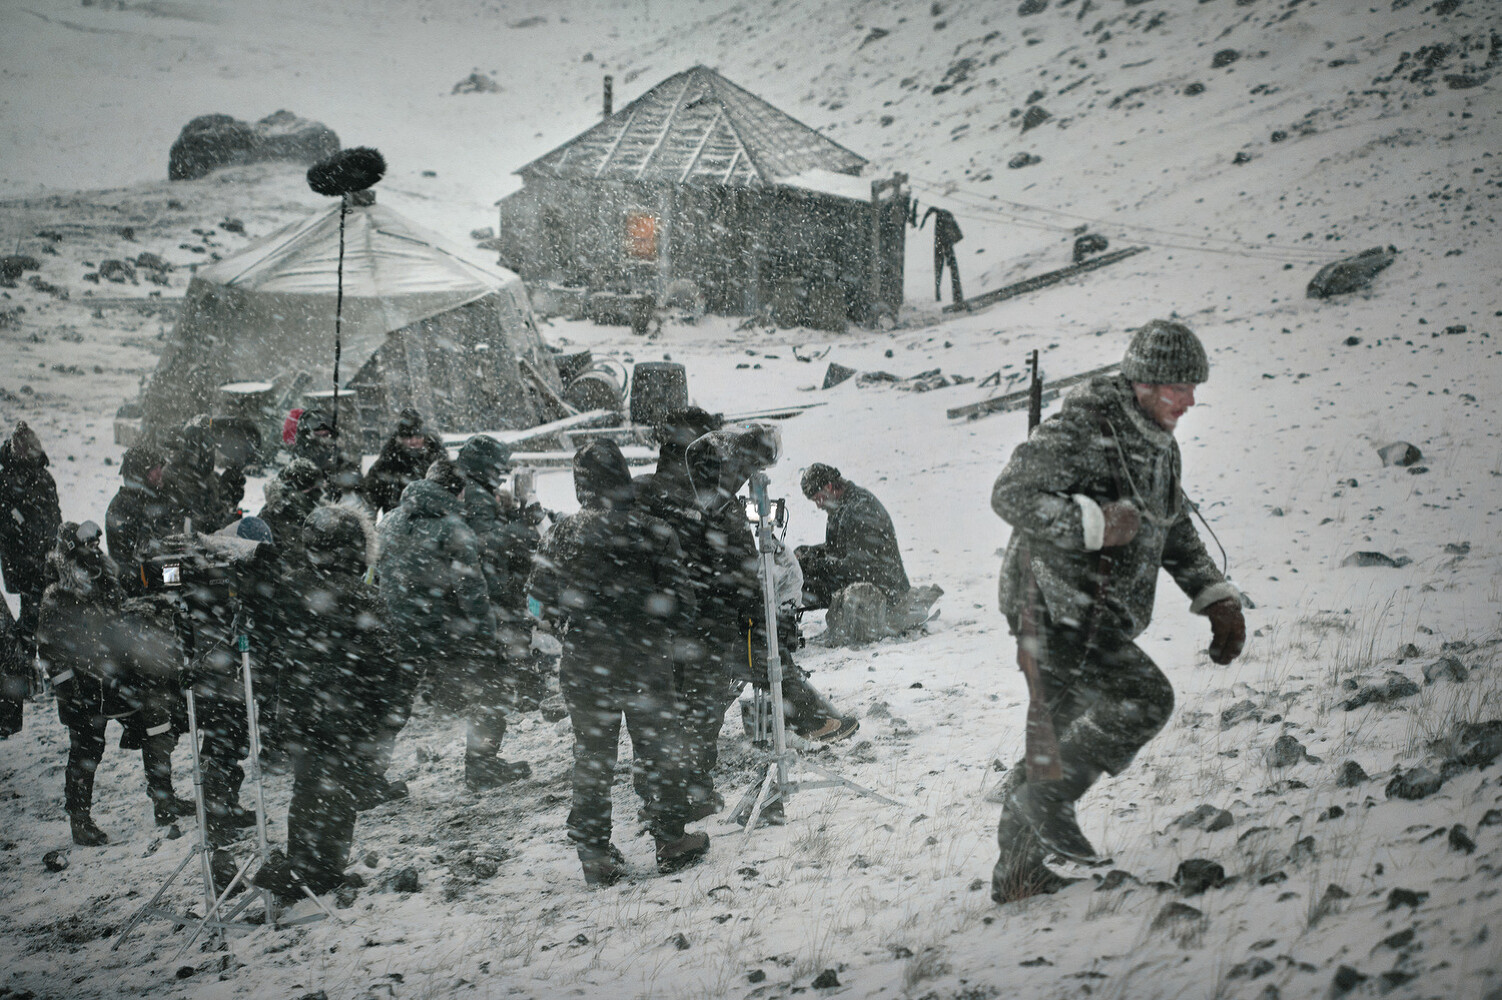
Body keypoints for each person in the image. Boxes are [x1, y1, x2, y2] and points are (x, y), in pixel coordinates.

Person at [987, 319, 1246, 904]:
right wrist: (1094, 524)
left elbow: (1171, 524)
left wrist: (1215, 596)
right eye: (1180, 385)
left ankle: (1019, 871)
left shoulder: (1158, 443)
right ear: (1145, 382)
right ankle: (1042, 805)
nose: (1191, 399)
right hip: (1053, 604)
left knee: (1053, 735)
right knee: (1144, 699)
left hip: (1098, 610)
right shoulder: (1085, 427)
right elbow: (1011, 494)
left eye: (1194, 386)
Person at [528, 439, 706, 886]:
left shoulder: (562, 533)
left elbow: (535, 602)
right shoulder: (655, 530)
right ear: (624, 476)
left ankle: (594, 855)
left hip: (586, 664)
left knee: (592, 757)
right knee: (659, 750)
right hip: (645, 661)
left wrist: (572, 621)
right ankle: (669, 839)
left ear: (580, 485)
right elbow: (685, 606)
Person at [254, 506, 396, 903]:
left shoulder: (292, 588)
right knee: (338, 795)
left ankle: (307, 865)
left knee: (308, 787)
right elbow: (386, 662)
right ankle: (319, 870)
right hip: (348, 715)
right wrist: (383, 713)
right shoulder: (364, 597)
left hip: (302, 710)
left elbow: (273, 646)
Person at [38, 522, 192, 844]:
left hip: (119, 676)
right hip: (84, 685)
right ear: (70, 549)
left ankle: (164, 801)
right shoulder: (57, 595)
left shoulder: (107, 578)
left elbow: (128, 607)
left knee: (157, 726)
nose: (95, 545)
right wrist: (68, 691)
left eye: (97, 540)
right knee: (87, 749)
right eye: (86, 541)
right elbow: (50, 649)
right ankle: (80, 820)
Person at [370, 458, 492, 804]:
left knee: (390, 706)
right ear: (456, 490)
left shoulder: (390, 519)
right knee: (486, 690)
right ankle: (483, 765)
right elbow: (471, 589)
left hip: (392, 626)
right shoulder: (452, 527)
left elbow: (376, 570)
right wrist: (484, 635)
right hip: (440, 629)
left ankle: (366, 775)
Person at [454, 434, 537, 789]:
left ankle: (482, 760)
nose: (504, 474)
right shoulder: (475, 495)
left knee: (491, 686)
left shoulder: (470, 491)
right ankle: (481, 765)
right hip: (486, 600)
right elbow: (489, 543)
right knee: (492, 686)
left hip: (479, 599)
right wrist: (522, 524)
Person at [796, 463, 910, 609]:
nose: (818, 505)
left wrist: (813, 565)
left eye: (818, 499)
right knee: (798, 574)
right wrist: (808, 553)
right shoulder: (840, 506)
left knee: (799, 581)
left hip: (885, 595)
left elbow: (856, 568)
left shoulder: (860, 509)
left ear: (829, 487)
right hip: (867, 582)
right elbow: (837, 549)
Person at [0, 421, 62, 666]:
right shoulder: (7, 481)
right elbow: (7, 527)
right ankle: (21, 664)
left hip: (45, 557)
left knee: (44, 614)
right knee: (32, 616)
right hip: (25, 562)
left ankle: (30, 663)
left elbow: (54, 515)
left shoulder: (43, 476)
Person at [159, 417, 244, 535]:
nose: (208, 451)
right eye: (204, 445)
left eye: (210, 445)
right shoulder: (171, 475)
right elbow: (178, 522)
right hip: (186, 548)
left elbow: (221, 518)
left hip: (212, 546)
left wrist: (231, 497)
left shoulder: (210, 477)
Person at [362, 408, 448, 514]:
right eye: (407, 437)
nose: (413, 441)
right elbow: (370, 497)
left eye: (418, 436)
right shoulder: (388, 462)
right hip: (398, 522)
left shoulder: (437, 459)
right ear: (400, 439)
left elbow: (452, 493)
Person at [106, 445, 174, 574]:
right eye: (155, 469)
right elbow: (125, 560)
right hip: (139, 586)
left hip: (162, 578)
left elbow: (168, 544)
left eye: (160, 468)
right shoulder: (121, 507)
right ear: (139, 473)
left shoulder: (157, 500)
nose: (160, 473)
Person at [290, 407, 362, 502]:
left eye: (326, 433)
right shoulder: (301, 457)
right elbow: (300, 483)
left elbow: (354, 479)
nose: (323, 436)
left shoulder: (337, 453)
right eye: (318, 432)